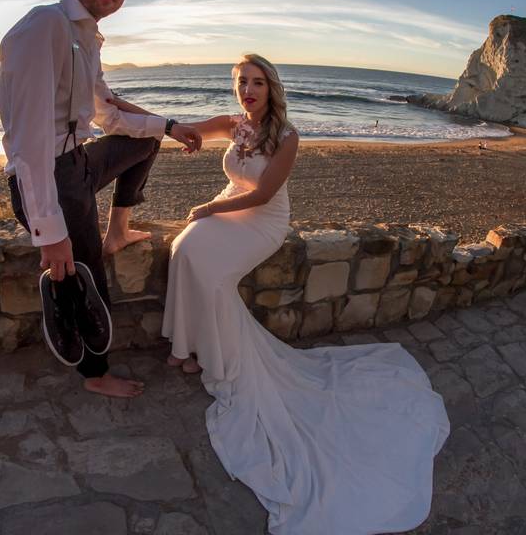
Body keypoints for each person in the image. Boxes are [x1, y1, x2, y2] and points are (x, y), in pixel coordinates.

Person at [161, 54, 449, 534]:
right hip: (230, 211)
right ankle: (186, 345)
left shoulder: (288, 137)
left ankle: (212, 357)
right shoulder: (235, 124)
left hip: (261, 221)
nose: (248, 91)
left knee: (211, 273)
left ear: (272, 88)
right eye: (241, 83)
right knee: (182, 249)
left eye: (257, 83)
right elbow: (185, 127)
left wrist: (210, 206)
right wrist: (128, 118)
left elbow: (261, 196)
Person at [0, 0, 201, 398]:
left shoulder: (86, 38)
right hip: (50, 176)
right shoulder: (45, 26)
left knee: (143, 142)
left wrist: (167, 126)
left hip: (78, 161)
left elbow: (107, 114)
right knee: (84, 275)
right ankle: (95, 374)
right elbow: (27, 141)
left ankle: (119, 230)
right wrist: (49, 233)